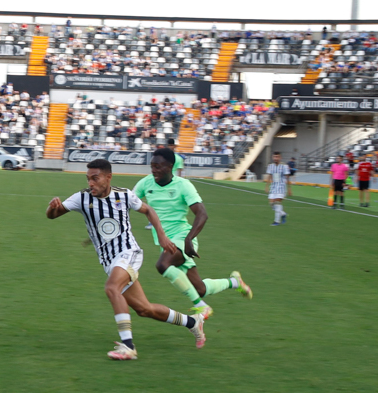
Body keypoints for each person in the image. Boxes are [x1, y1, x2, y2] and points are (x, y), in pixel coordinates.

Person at [46, 158, 207, 360]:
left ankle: (128, 346)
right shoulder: (82, 198)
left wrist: (163, 236)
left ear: (108, 177)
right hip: (110, 262)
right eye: (88, 179)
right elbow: (52, 215)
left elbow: (148, 210)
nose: (91, 183)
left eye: (95, 179)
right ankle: (193, 322)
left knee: (111, 288)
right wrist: (52, 206)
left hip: (129, 253)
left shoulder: (124, 195)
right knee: (144, 309)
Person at [133, 148, 252, 318]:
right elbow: (126, 201)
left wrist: (189, 238)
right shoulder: (146, 183)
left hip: (183, 237)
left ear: (170, 166)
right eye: (152, 166)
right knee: (200, 289)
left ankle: (201, 306)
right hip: (165, 241)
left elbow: (202, 214)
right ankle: (234, 282)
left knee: (162, 265)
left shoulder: (183, 185)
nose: (154, 170)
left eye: (158, 166)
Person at [265, 151, 292, 225]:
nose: (275, 158)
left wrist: (289, 189)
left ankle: (277, 221)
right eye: (274, 157)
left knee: (277, 203)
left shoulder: (284, 166)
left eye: (277, 157)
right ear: (272, 157)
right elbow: (269, 176)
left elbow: (287, 177)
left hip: (281, 187)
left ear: (280, 157)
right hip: (273, 187)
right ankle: (283, 214)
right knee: (271, 204)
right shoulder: (270, 166)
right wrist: (266, 186)